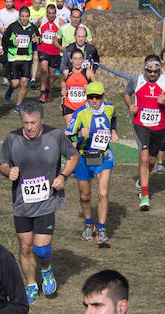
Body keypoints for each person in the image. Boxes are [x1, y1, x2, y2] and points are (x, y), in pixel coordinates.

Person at [0, 100, 78, 302]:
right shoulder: (12, 139)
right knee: (25, 247)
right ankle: (31, 284)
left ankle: (46, 269)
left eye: (33, 123)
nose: (29, 127)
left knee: (41, 249)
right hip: (22, 203)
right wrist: (8, 171)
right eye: (25, 123)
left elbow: (73, 156)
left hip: (46, 201)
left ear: (41, 120)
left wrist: (64, 175)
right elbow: (1, 163)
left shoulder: (55, 136)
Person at [122, 54, 165, 210]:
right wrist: (130, 106)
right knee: (144, 157)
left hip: (158, 127)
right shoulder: (136, 80)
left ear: (160, 69)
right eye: (149, 71)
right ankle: (145, 196)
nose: (152, 74)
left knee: (152, 161)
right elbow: (126, 93)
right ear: (144, 69)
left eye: (155, 72)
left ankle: (141, 181)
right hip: (140, 124)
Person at [65, 81, 118, 247]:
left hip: (103, 156)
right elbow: (68, 137)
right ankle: (89, 223)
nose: (94, 100)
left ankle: (102, 228)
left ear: (103, 96)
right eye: (90, 97)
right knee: (85, 195)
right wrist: (80, 134)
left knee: (103, 193)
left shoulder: (109, 108)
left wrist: (114, 131)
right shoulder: (80, 113)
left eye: (97, 97)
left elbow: (113, 118)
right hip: (83, 157)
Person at [2, 7, 41, 111]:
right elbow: (4, 40)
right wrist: (13, 43)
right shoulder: (13, 27)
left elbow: (39, 37)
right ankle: (10, 89)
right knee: (15, 83)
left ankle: (18, 105)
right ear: (19, 16)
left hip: (27, 59)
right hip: (14, 58)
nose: (24, 19)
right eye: (22, 16)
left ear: (29, 17)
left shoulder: (32, 27)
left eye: (26, 16)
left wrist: (38, 39)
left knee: (24, 82)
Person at [60, 47, 97, 127]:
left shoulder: (88, 73)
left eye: (80, 58)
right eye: (75, 58)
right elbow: (63, 81)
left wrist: (90, 88)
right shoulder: (67, 72)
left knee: (84, 132)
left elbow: (97, 88)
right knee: (72, 130)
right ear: (71, 60)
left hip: (84, 106)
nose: (77, 61)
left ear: (83, 60)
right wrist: (63, 88)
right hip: (69, 105)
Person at [35, 4, 64, 102]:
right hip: (43, 49)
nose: (51, 15)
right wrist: (37, 38)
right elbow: (35, 28)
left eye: (53, 13)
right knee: (43, 70)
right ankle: (42, 93)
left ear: (55, 13)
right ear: (46, 13)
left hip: (55, 51)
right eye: (49, 13)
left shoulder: (60, 22)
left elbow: (65, 32)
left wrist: (62, 45)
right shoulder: (41, 20)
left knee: (52, 74)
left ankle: (48, 90)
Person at [26, 0, 47, 88]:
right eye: (35, 3)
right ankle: (26, 75)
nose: (37, 5)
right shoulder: (28, 10)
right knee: (28, 58)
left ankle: (33, 79)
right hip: (28, 37)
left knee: (35, 57)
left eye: (39, 3)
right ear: (32, 2)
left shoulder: (43, 11)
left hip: (38, 38)